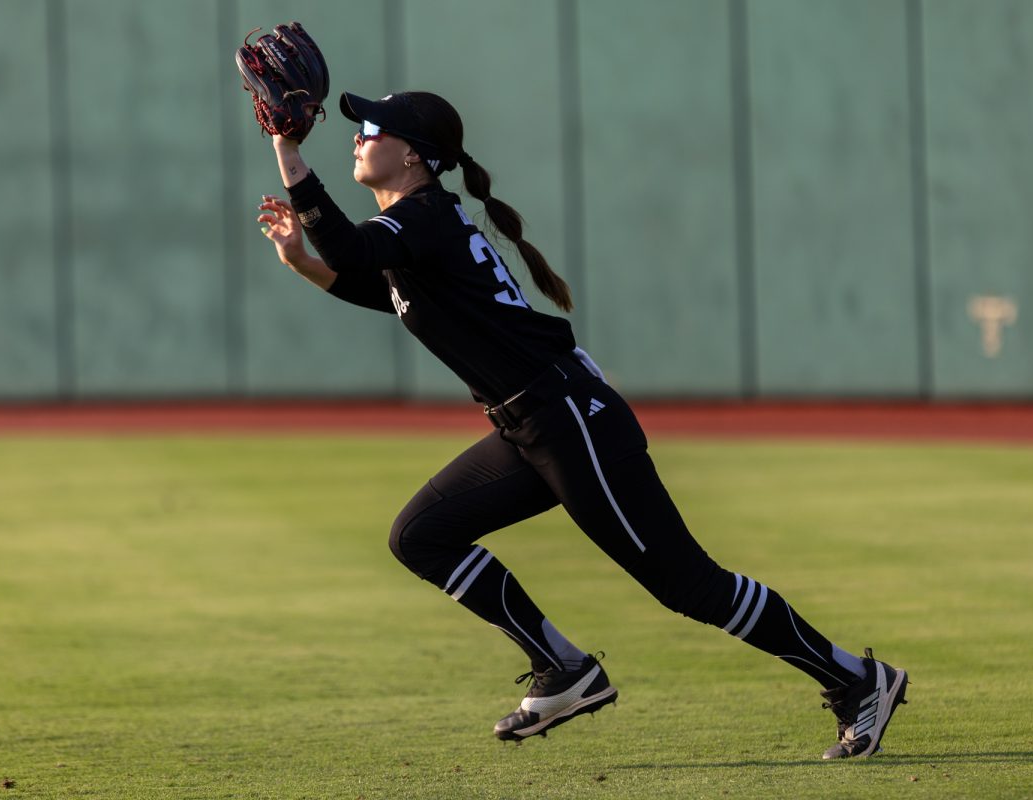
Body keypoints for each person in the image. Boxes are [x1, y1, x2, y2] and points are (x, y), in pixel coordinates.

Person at [255, 90, 908, 758]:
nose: (359, 136)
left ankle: (857, 680)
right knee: (421, 536)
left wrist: (288, 148)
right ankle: (564, 669)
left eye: (372, 128)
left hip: (570, 418)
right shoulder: (417, 233)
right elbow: (375, 286)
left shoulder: (423, 220)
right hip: (532, 427)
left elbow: (350, 247)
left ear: (413, 154)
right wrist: (302, 261)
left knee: (688, 583)